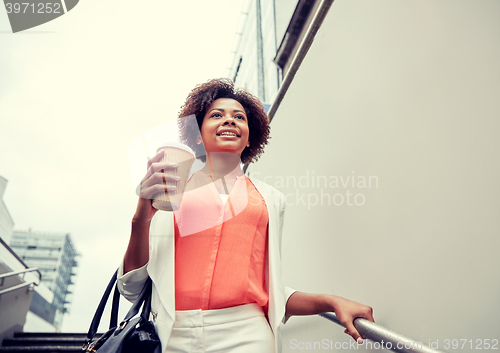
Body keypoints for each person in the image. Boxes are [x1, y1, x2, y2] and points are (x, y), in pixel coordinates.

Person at [117, 78, 374, 353]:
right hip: (173, 335)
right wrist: (142, 215)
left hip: (247, 336)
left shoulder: (271, 201)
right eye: (216, 115)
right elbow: (132, 286)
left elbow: (269, 291)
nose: (229, 121)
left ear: (250, 136)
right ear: (197, 134)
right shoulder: (171, 192)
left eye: (239, 117)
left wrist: (330, 302)